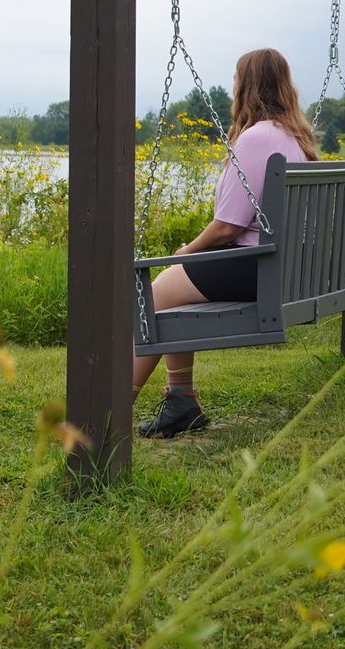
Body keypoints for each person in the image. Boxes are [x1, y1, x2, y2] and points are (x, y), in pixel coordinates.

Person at [134, 47, 320, 439]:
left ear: (246, 87)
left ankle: (111, 408)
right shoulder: (294, 136)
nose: (232, 85)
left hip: (257, 265)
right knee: (172, 290)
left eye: (236, 79)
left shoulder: (256, 138)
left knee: (150, 297)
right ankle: (180, 400)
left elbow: (227, 228)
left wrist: (185, 252)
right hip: (286, 265)